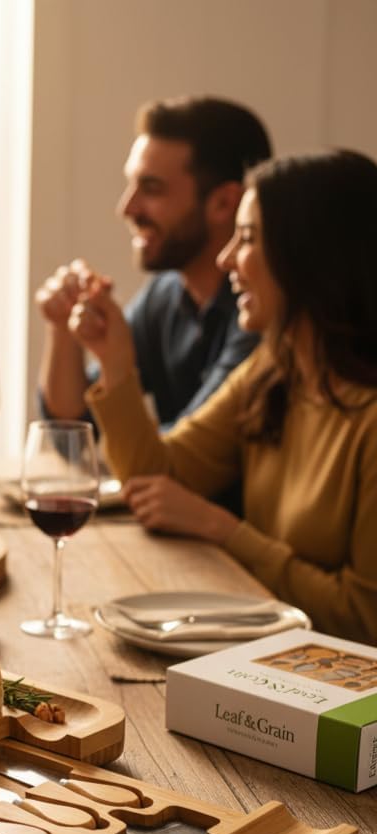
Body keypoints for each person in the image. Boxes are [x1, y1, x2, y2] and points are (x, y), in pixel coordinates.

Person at [70, 149, 377, 643]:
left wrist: (224, 530)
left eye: (249, 238)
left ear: (313, 256)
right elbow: (154, 479)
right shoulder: (274, 371)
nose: (225, 256)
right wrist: (115, 361)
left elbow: (364, 619)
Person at [37, 96, 272, 431]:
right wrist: (62, 325)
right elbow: (72, 426)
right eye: (131, 184)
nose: (126, 207)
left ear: (224, 203)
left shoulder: (262, 309)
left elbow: (187, 454)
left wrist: (116, 366)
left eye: (151, 188)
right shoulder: (165, 295)